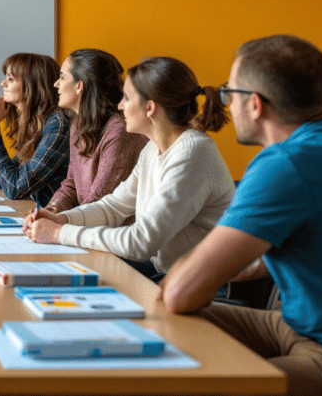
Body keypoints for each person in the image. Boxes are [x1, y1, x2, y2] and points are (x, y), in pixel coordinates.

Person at [162, 36, 322, 396]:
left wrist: (188, 275)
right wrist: (241, 266)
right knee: (157, 317)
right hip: (303, 326)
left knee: (188, 370)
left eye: (229, 93)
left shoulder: (287, 163)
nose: (227, 103)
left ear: (255, 104)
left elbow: (181, 294)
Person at [25, 56, 236, 279]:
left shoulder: (191, 153)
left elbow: (141, 242)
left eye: (126, 97)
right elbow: (113, 207)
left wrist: (59, 233)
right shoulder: (152, 148)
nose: (120, 105)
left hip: (203, 283)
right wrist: (62, 219)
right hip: (170, 272)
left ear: (150, 108)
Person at [41, 48, 147, 213]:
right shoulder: (77, 125)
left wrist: (59, 220)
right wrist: (50, 211)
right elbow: (71, 185)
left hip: (109, 228)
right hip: (85, 223)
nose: (56, 84)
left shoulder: (119, 132)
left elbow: (99, 201)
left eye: (62, 77)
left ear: (79, 86)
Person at [0, 53, 70, 205]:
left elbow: (14, 188)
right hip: (35, 210)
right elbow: (1, 181)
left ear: (33, 85)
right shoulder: (36, 124)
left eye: (11, 79)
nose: (3, 84)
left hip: (53, 214)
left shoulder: (57, 125)